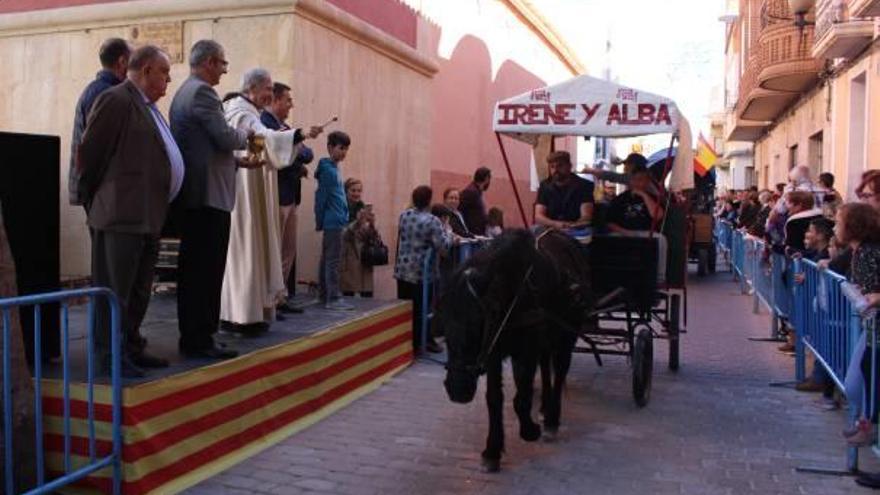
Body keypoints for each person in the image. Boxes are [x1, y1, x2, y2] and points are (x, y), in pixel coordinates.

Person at [77, 45, 182, 377]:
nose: (168, 80)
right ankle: (109, 355)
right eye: (165, 72)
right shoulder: (116, 99)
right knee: (114, 291)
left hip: (148, 214)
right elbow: (89, 156)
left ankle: (131, 346)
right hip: (120, 214)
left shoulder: (149, 107)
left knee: (138, 290)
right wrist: (97, 203)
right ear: (147, 69)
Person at [221, 68, 321, 331]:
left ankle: (250, 310)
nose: (269, 94)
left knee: (254, 249)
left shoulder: (244, 111)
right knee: (247, 249)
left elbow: (256, 144)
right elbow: (264, 137)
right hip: (245, 191)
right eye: (267, 89)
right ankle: (242, 314)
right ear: (253, 88)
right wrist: (299, 134)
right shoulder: (242, 112)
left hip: (252, 182)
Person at [170, 40, 249, 359]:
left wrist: (234, 160)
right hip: (207, 196)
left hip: (197, 193)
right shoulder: (202, 92)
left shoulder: (183, 91)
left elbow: (205, 146)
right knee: (205, 270)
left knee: (195, 269)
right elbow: (224, 137)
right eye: (222, 65)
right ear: (209, 63)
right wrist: (246, 137)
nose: (223, 72)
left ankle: (196, 335)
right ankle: (199, 338)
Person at [260, 81, 310, 313]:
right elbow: (277, 153)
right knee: (275, 249)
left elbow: (306, 153)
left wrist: (295, 153)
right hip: (278, 194)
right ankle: (270, 298)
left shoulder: (284, 126)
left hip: (291, 196)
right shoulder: (265, 123)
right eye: (288, 100)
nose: (292, 104)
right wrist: (295, 155)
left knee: (288, 249)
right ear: (276, 100)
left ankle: (281, 296)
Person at [833, 204, 880, 448]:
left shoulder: (869, 252)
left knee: (867, 376)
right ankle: (868, 424)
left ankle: (870, 425)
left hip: (876, 324)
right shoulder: (859, 251)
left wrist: (875, 296)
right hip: (872, 326)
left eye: (839, 222)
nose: (835, 227)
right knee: (865, 372)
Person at [69, 38, 131, 209]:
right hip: (99, 190)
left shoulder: (101, 90)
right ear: (122, 61)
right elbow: (95, 146)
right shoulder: (104, 93)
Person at [395, 186, 453, 353]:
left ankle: (405, 342)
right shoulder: (432, 221)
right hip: (422, 273)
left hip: (402, 269)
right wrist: (447, 230)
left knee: (406, 309)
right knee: (422, 310)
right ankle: (420, 343)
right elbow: (444, 247)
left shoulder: (404, 216)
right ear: (429, 200)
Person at [607, 166, 667, 280]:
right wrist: (625, 232)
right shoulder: (619, 199)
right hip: (622, 233)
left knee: (661, 239)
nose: (636, 183)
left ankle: (659, 278)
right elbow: (610, 222)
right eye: (634, 179)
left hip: (645, 233)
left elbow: (658, 216)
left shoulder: (654, 198)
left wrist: (644, 196)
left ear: (647, 182)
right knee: (607, 240)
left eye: (641, 180)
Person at [315, 131, 353, 310]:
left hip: (337, 219)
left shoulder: (334, 168)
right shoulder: (328, 171)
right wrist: (319, 219)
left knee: (327, 259)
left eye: (346, 149)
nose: (344, 152)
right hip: (333, 221)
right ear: (330, 147)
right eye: (341, 148)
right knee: (333, 261)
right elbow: (321, 197)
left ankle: (324, 295)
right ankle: (333, 298)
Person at [534, 151, 594, 230]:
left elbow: (586, 216)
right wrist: (556, 224)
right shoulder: (545, 186)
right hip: (551, 228)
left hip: (576, 228)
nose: (555, 170)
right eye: (552, 167)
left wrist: (572, 226)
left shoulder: (584, 185)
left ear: (569, 166)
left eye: (560, 166)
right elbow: (538, 216)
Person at [341, 179, 378, 298]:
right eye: (353, 190)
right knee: (349, 293)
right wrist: (358, 221)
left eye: (359, 191)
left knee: (367, 294)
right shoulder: (341, 208)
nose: (356, 193)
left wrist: (372, 224)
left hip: (364, 256)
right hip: (348, 257)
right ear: (346, 191)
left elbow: (371, 236)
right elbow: (343, 235)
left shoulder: (362, 207)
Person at [782, 191, 824, 255]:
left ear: (799, 205)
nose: (785, 205)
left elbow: (791, 246)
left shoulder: (794, 222)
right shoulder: (821, 216)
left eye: (789, 202)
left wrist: (773, 247)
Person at [459, 167, 492, 236]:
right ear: (486, 179)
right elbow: (459, 208)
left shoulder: (476, 191)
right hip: (472, 233)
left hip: (476, 232)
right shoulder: (471, 191)